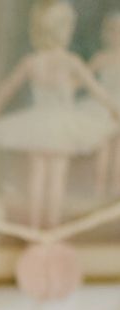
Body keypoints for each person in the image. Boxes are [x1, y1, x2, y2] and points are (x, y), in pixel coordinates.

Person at [0, 0, 120, 229]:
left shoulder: (32, 63)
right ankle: (52, 226)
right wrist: (113, 109)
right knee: (56, 176)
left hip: (38, 123)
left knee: (37, 176)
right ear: (65, 30)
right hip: (61, 126)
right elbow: (97, 91)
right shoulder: (71, 62)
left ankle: (35, 224)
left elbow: (7, 88)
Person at [79, 11, 120, 199]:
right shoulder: (101, 58)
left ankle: (115, 191)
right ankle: (99, 191)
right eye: (112, 32)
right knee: (102, 151)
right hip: (103, 107)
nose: (116, 36)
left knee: (118, 152)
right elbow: (82, 77)